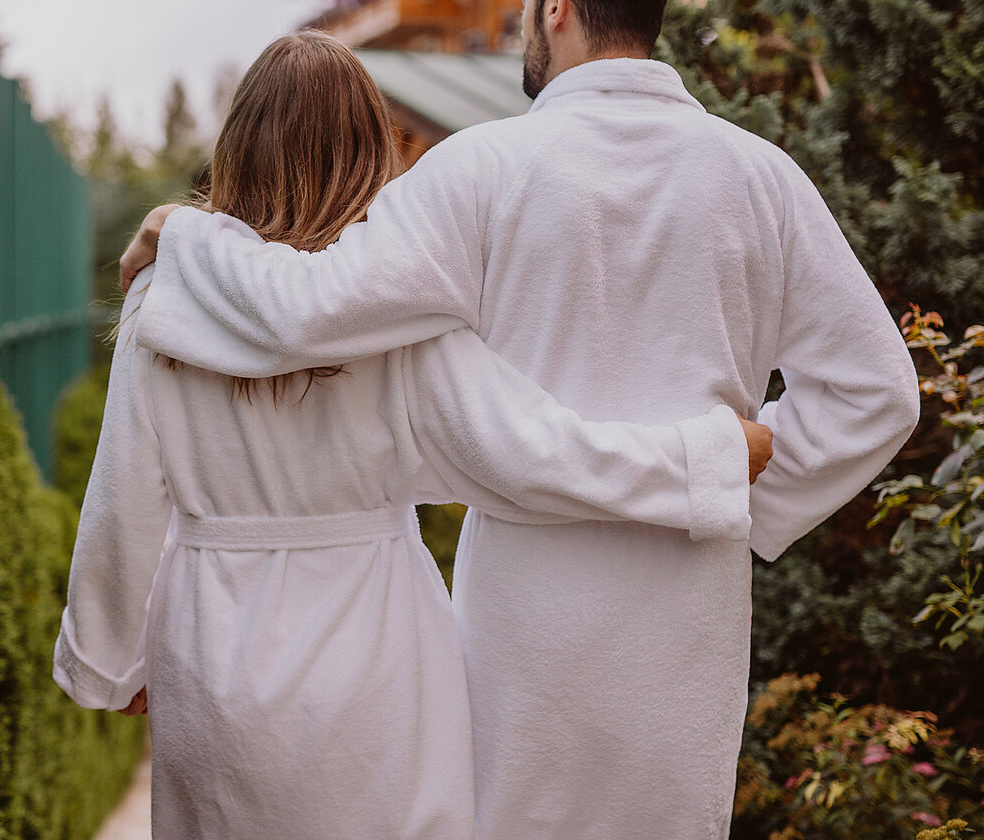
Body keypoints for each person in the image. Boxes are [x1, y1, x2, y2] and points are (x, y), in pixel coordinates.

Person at [114, 2, 921, 838]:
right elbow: (878, 394)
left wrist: (189, 237)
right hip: (691, 610)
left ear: (557, 11)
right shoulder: (763, 178)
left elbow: (305, 312)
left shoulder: (479, 170)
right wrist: (740, 489)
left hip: (528, 611)